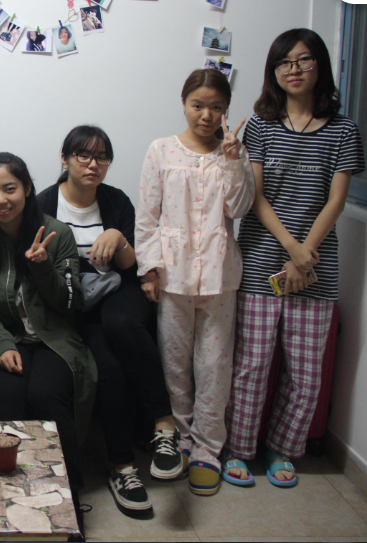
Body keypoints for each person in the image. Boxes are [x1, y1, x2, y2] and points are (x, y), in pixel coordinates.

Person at [223, 29, 364, 489]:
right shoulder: (261, 126)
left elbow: (336, 201)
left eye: (304, 60)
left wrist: (305, 258)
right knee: (251, 365)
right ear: (274, 71)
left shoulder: (343, 130)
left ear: (319, 65)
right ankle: (239, 448)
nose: (294, 69)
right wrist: (292, 248)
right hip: (262, 260)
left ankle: (283, 448)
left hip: (316, 269)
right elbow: (256, 197)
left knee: (305, 374)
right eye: (285, 62)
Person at [38, 126, 178, 516]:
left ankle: (164, 425)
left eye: (102, 157)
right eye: (83, 155)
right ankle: (122, 468)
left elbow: (131, 266)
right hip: (74, 305)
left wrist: (117, 236)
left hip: (118, 290)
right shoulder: (44, 205)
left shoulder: (115, 201)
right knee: (110, 369)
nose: (93, 164)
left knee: (123, 325)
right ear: (64, 159)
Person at [0, 152, 97, 528]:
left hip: (54, 339)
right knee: (7, 396)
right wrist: (0, 345)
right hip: (5, 339)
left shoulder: (57, 233)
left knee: (46, 394)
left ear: (28, 189)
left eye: (10, 189)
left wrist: (42, 266)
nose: (0, 199)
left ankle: (67, 496)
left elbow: (70, 302)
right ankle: (7, 496)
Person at [135, 69, 255, 496]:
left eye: (216, 107)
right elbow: (147, 216)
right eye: (198, 105)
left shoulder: (233, 152)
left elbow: (239, 208)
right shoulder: (161, 150)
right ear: (184, 104)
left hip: (220, 276)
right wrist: (149, 269)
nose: (206, 115)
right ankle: (181, 441)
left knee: (215, 365)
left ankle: (207, 449)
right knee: (175, 364)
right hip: (173, 275)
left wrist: (234, 161)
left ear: (226, 110)